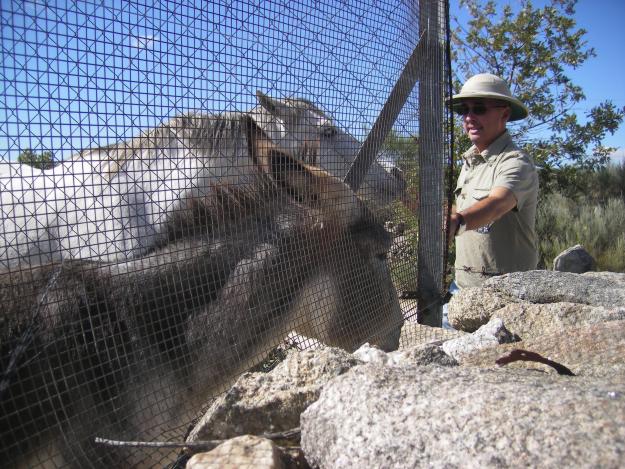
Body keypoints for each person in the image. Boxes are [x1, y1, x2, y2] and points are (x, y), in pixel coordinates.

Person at [443, 73, 539, 327]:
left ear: (504, 115)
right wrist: (423, 205)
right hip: (462, 292)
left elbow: (498, 203)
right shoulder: (470, 162)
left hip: (508, 300)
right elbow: (461, 210)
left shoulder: (516, 162)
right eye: (465, 110)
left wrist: (459, 221)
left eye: (479, 109)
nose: (469, 117)